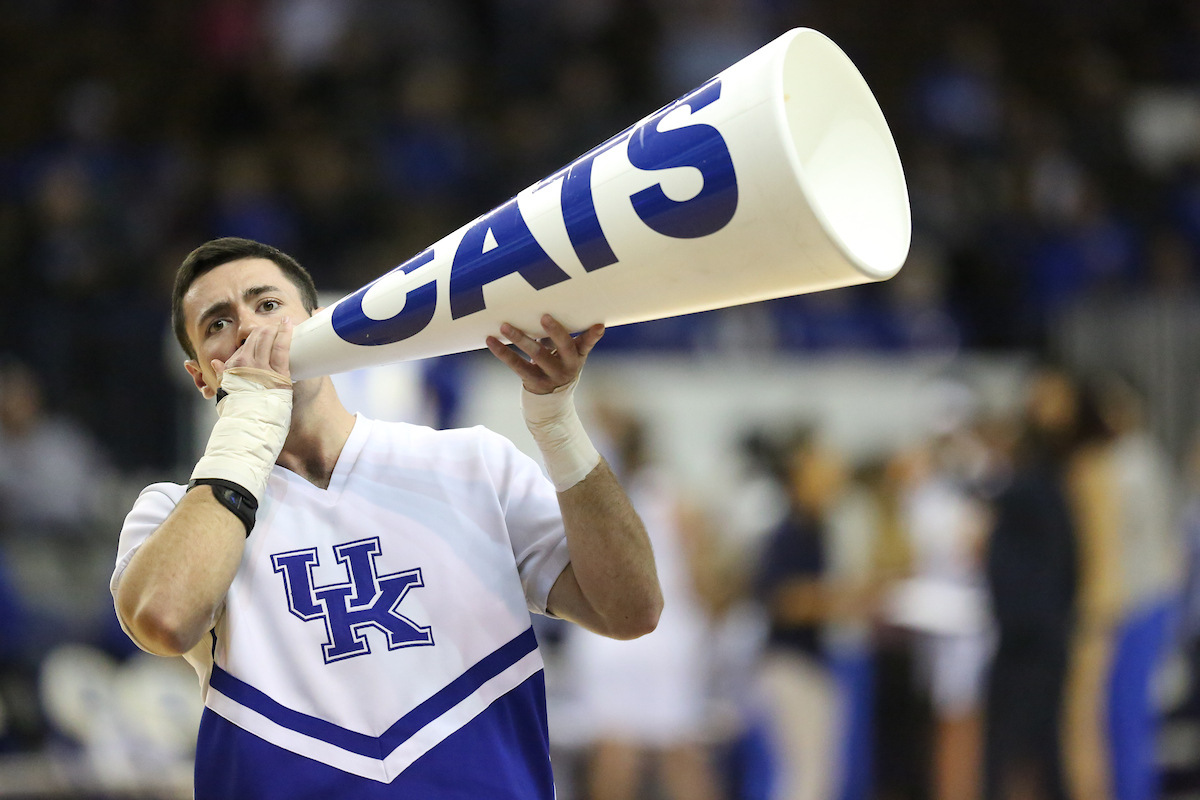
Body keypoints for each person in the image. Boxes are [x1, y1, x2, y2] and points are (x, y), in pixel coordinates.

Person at [109, 237, 663, 799]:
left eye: (268, 305)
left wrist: (556, 425)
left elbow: (630, 609)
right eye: (217, 325)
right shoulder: (176, 511)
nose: (251, 329)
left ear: (320, 326)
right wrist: (246, 430)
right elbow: (163, 621)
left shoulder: (469, 460)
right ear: (202, 376)